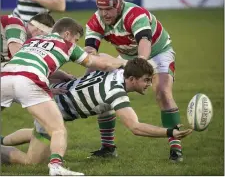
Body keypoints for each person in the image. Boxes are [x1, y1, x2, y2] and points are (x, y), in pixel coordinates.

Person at [1, 57, 192, 167]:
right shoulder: (116, 93)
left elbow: (98, 58)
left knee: (105, 109)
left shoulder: (117, 69)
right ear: (132, 79)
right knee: (32, 161)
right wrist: (170, 132)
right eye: (146, 80)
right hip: (50, 110)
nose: (149, 84)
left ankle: (2, 140)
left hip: (52, 97)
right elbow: (136, 127)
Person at [1, 17, 126, 176]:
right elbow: (101, 64)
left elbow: (33, 62)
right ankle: (56, 166)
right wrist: (121, 63)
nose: (75, 43)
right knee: (58, 129)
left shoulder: (33, 39)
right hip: (29, 81)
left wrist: (62, 76)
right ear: (67, 34)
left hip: (4, 76)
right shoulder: (67, 46)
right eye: (75, 39)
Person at [84, 0, 184, 162]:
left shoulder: (135, 14)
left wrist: (140, 65)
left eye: (109, 9)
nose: (104, 13)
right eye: (100, 9)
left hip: (157, 52)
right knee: (102, 90)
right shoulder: (95, 21)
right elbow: (90, 53)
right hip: (127, 55)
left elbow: (144, 43)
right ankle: (108, 147)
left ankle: (176, 147)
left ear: (119, 4)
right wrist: (88, 78)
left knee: (162, 91)